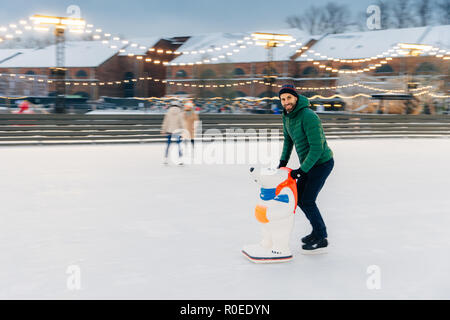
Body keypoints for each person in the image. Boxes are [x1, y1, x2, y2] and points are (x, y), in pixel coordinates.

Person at [277, 85, 334, 253]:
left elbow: (317, 148)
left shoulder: (309, 116)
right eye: (283, 99)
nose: (286, 101)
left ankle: (321, 237)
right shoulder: (286, 116)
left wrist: (302, 170)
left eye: (289, 98)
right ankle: (317, 232)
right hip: (309, 164)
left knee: (307, 200)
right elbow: (288, 140)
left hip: (322, 163)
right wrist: (282, 162)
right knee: (300, 199)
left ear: (296, 98)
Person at [161, 100, 185, 165]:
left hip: (169, 131)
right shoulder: (180, 113)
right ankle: (180, 160)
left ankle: (165, 159)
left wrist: (163, 130)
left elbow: (165, 122)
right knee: (179, 145)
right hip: (177, 132)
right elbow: (182, 123)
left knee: (168, 145)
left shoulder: (168, 113)